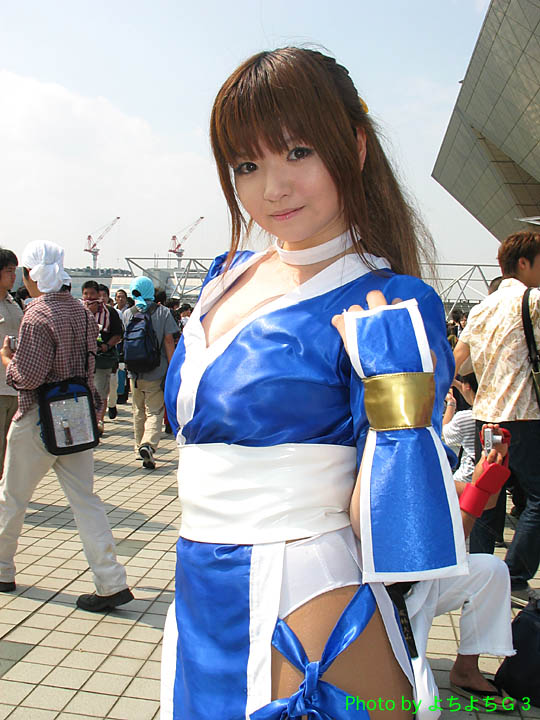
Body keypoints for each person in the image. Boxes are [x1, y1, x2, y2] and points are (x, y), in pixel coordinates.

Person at [161, 48, 465, 720]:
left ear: (354, 147)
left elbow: (403, 532)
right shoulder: (224, 275)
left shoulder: (390, 302)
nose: (273, 187)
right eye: (247, 165)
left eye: (297, 151)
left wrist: (398, 406)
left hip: (302, 594)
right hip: (199, 582)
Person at [0, 241, 133, 611]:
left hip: (37, 415)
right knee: (85, 500)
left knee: (13, 497)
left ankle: (3, 569)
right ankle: (110, 581)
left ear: (29, 273)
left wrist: (7, 359)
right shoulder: (80, 311)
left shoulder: (36, 315)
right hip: (76, 414)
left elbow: (28, 377)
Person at [454, 230, 540, 606]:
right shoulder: (534, 301)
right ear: (524, 262)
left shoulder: (482, 308)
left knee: (488, 492)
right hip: (524, 415)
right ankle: (514, 575)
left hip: (485, 418)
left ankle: (478, 574)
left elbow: (458, 360)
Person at [405, 425, 513, 711]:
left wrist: (492, 465)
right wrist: (479, 491)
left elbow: (486, 500)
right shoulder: (376, 463)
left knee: (490, 570)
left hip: (420, 584)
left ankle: (466, 670)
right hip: (383, 600)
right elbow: (445, 552)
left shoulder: (414, 454)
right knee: (423, 708)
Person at [125, 277, 177, 469]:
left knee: (138, 410)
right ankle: (148, 444)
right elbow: (169, 341)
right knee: (154, 411)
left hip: (134, 372)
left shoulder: (128, 313)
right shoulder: (163, 312)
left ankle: (138, 446)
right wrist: (173, 367)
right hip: (156, 370)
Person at [81, 281, 123, 433]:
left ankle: (98, 421)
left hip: (102, 359)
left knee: (100, 392)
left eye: (92, 294)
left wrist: (106, 346)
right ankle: (87, 422)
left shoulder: (109, 312)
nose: (89, 297)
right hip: (82, 360)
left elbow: (118, 334)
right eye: (86, 294)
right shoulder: (78, 310)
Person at [0, 249, 23, 476]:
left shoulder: (14, 303)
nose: (13, 277)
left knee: (11, 448)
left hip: (13, 387)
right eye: (9, 271)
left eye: (15, 271)